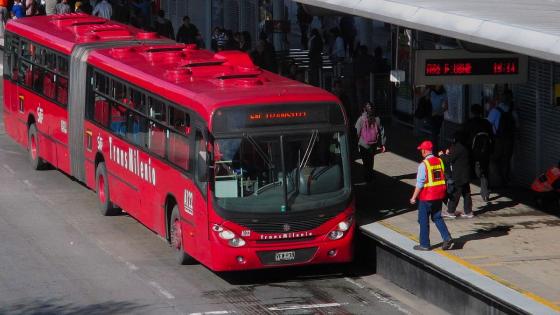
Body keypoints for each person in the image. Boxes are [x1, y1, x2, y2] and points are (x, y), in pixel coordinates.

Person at [410, 140, 453, 251]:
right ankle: (447, 237)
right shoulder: (439, 161)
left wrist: (414, 197)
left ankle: (424, 244)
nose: (421, 152)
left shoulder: (423, 165)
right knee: (437, 217)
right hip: (438, 196)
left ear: (424, 151)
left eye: (421, 150)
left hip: (426, 197)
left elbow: (420, 183)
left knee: (423, 220)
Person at [440, 131, 473, 218]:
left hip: (459, 175)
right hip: (466, 173)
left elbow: (449, 159)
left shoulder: (458, 147)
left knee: (455, 193)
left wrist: (442, 155)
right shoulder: (467, 146)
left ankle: (450, 211)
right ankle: (468, 211)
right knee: (466, 193)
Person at [464, 104, 494, 201]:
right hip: (486, 151)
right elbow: (492, 136)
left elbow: (464, 136)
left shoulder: (469, 123)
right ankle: (485, 193)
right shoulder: (487, 123)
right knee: (484, 171)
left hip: (472, 151)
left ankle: (466, 193)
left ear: (472, 112)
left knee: (470, 170)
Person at [487, 90, 517, 187]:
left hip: (498, 140)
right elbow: (518, 125)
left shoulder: (495, 111)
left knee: (494, 159)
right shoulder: (513, 111)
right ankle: (505, 180)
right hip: (509, 139)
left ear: (501, 99)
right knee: (506, 160)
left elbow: (488, 124)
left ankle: (497, 179)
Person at [355, 102, 386, 184]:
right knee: (371, 160)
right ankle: (370, 175)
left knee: (365, 162)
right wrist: (383, 144)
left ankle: (367, 178)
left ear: (364, 109)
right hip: (374, 144)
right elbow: (382, 131)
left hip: (363, 144)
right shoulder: (377, 119)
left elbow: (357, 132)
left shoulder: (361, 119)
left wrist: (355, 143)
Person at [429, 85, 448, 153]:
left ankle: (434, 150)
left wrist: (437, 112)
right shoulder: (431, 91)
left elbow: (445, 107)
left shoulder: (443, 93)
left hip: (438, 116)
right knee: (434, 134)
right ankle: (433, 149)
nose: (437, 85)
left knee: (434, 134)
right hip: (430, 115)